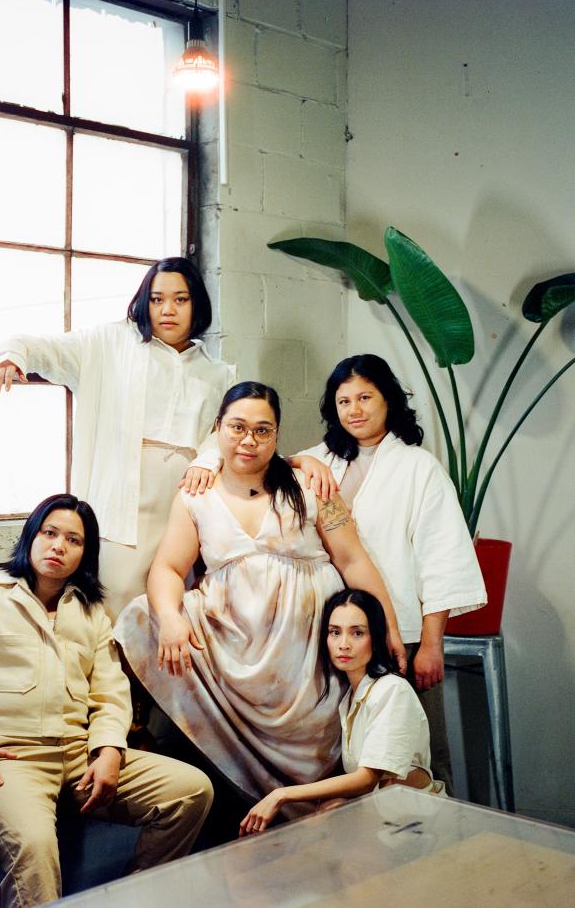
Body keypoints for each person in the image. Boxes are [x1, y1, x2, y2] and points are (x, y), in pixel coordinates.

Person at [113, 382, 405, 804]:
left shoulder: (310, 484)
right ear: (218, 428)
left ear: (276, 434)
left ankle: (311, 806)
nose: (248, 440)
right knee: (141, 616)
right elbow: (168, 568)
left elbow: (353, 560)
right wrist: (172, 619)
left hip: (307, 653)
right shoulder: (196, 495)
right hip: (231, 643)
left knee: (327, 773)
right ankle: (141, 739)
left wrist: (389, 627)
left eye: (262, 430)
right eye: (237, 427)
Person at [0, 494, 213, 908]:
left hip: (79, 756)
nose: (58, 546)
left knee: (192, 792)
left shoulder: (91, 613)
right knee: (36, 848)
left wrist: (110, 750)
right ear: (31, 536)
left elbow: (110, 693)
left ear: (85, 554)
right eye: (49, 533)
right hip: (6, 761)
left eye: (74, 540)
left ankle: (134, 896)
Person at [0, 257, 235, 623]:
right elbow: (45, 347)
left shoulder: (217, 372)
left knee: (175, 601)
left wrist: (206, 460)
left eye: (180, 299)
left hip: (184, 501)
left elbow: (225, 432)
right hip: (123, 501)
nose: (167, 310)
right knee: (116, 598)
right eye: (157, 299)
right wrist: (13, 355)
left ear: (197, 304)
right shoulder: (112, 342)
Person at [291, 355, 487, 792]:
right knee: (351, 753)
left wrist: (431, 644)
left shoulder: (419, 468)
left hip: (403, 632)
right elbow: (269, 462)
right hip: (336, 632)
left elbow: (441, 559)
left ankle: (436, 827)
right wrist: (303, 462)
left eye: (365, 397)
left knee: (414, 753)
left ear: (388, 400)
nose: (354, 410)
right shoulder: (321, 460)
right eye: (344, 401)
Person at [239, 588, 445, 836]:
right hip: (383, 822)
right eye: (335, 632)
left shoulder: (392, 689)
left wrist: (282, 795)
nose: (343, 644)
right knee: (321, 818)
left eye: (357, 633)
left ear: (376, 637)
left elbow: (366, 779)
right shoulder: (349, 698)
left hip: (416, 824)